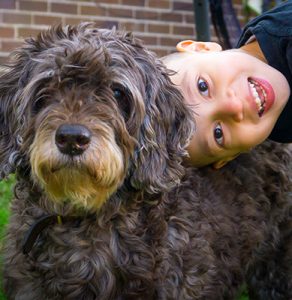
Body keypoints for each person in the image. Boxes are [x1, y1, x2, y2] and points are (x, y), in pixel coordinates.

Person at [162, 1, 291, 169]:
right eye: (218, 134)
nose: (234, 106)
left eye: (203, 86)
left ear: (202, 48)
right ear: (230, 156)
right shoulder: (278, 127)